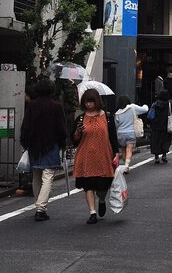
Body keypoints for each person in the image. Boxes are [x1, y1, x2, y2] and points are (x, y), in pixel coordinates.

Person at [20, 77, 67, 221]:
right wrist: (63, 144)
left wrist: (25, 143)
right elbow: (61, 128)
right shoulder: (57, 106)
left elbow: (26, 126)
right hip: (51, 145)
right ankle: (41, 208)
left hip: (34, 145)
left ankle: (38, 206)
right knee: (48, 176)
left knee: (36, 175)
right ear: (52, 90)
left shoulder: (32, 105)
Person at [72, 88, 119, 224]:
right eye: (86, 102)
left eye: (91, 102)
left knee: (103, 186)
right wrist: (77, 132)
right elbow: (74, 140)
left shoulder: (107, 117)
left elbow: (112, 137)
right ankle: (92, 212)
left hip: (103, 156)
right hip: (85, 156)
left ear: (97, 102)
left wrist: (116, 153)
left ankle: (102, 200)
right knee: (88, 185)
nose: (89, 105)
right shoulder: (80, 118)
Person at [114, 95, 148, 173]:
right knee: (129, 149)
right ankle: (126, 166)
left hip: (120, 134)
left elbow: (116, 125)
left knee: (123, 150)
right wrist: (145, 105)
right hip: (130, 133)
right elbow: (145, 109)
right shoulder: (132, 107)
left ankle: (125, 165)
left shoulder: (117, 113)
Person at [149, 88, 171, 164]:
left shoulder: (155, 104)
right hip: (165, 125)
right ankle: (164, 155)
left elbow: (151, 115)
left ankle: (156, 157)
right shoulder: (168, 104)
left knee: (155, 141)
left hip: (155, 126)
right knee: (165, 141)